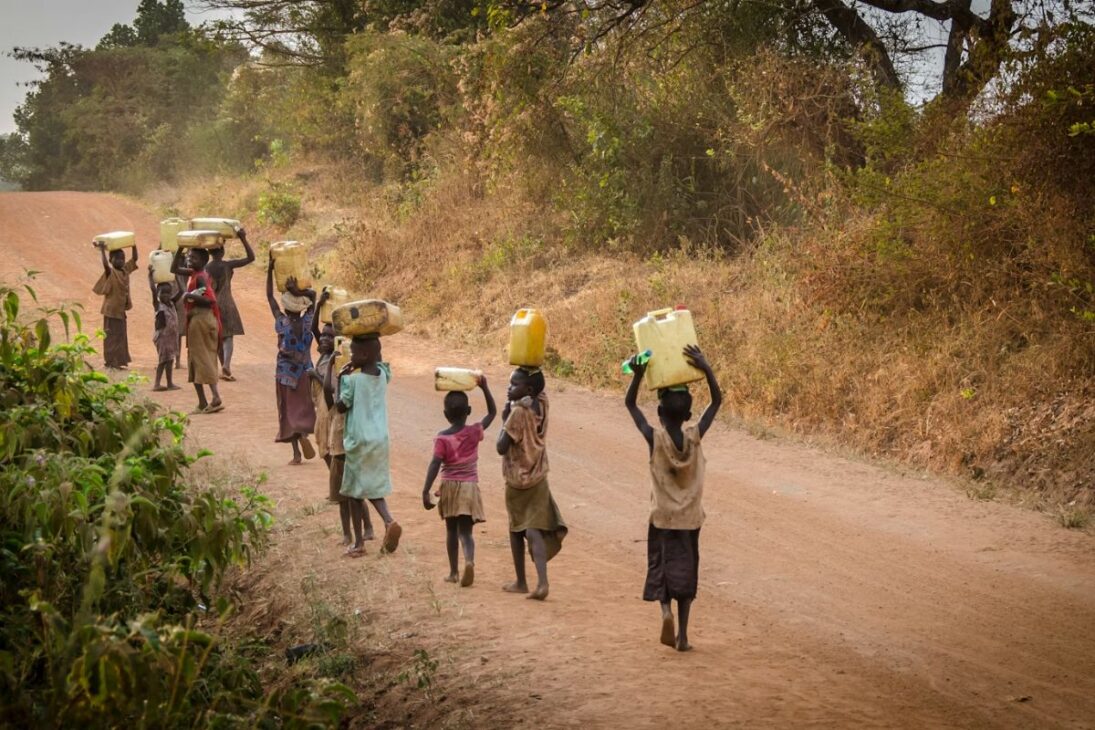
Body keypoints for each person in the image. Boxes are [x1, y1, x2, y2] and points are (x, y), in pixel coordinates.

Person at [624, 344, 721, 652]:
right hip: (690, 520)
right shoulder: (695, 437)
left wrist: (637, 376)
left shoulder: (654, 439)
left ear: (660, 413)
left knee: (662, 567)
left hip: (662, 518)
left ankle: (664, 611)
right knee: (687, 572)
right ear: (689, 414)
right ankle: (683, 637)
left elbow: (630, 406)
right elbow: (717, 402)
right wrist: (705, 367)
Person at [496, 367, 567, 601]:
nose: (509, 388)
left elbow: (501, 447)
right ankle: (542, 582)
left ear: (528, 389)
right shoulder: (542, 405)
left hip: (517, 480)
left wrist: (505, 417)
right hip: (539, 476)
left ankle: (521, 581)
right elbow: (541, 390)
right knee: (533, 529)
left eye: (514, 384)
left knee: (516, 529)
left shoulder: (517, 413)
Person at [422, 376, 497, 587]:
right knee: (466, 532)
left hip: (450, 486)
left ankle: (454, 572)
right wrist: (485, 388)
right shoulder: (474, 432)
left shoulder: (442, 438)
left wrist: (426, 490)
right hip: (469, 487)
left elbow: (435, 464)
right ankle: (470, 561)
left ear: (445, 414)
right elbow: (492, 413)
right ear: (469, 411)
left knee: (450, 530)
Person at [337, 334, 401, 557]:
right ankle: (388, 521)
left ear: (364, 355)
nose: (351, 356)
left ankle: (359, 544)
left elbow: (340, 406)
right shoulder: (383, 375)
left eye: (353, 352)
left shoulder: (352, 381)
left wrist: (340, 378)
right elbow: (379, 359)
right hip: (380, 438)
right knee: (370, 485)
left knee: (355, 494)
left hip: (359, 440)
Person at [266, 263, 317, 464]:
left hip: (285, 373)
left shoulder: (282, 322)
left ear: (286, 307)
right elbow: (314, 297)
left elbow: (270, 297)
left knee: (287, 410)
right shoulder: (308, 322)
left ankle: (296, 453)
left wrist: (270, 271)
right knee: (304, 408)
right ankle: (303, 433)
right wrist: (299, 290)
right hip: (305, 371)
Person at [171, 247, 224, 414]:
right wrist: (179, 249)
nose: (189, 260)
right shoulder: (195, 273)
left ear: (203, 261)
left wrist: (190, 296)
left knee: (202, 359)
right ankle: (203, 402)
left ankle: (215, 398)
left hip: (202, 320)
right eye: (188, 257)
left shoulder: (200, 277)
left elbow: (210, 301)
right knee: (197, 359)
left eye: (193, 258)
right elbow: (174, 269)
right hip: (198, 320)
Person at [206, 228, 255, 381]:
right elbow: (250, 258)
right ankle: (226, 365)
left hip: (211, 304)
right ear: (222, 252)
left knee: (218, 336)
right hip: (227, 303)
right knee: (228, 337)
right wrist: (243, 238)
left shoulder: (206, 267)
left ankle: (223, 368)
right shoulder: (227, 265)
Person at [92, 241, 138, 370]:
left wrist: (133, 245)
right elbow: (105, 265)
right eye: (117, 259)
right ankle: (110, 361)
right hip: (110, 311)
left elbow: (135, 259)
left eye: (122, 258)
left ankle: (118, 361)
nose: (121, 261)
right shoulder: (111, 272)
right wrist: (102, 250)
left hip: (120, 311)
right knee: (111, 337)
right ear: (111, 260)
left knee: (120, 336)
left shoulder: (125, 270)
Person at [152, 282, 182, 391]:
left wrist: (178, 278)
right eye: (162, 293)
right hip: (163, 338)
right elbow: (152, 290)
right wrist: (150, 277)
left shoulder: (172, 303)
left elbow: (182, 291)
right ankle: (156, 384)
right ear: (158, 294)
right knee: (163, 360)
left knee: (170, 360)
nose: (165, 295)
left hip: (171, 337)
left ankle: (170, 383)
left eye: (168, 293)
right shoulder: (158, 305)